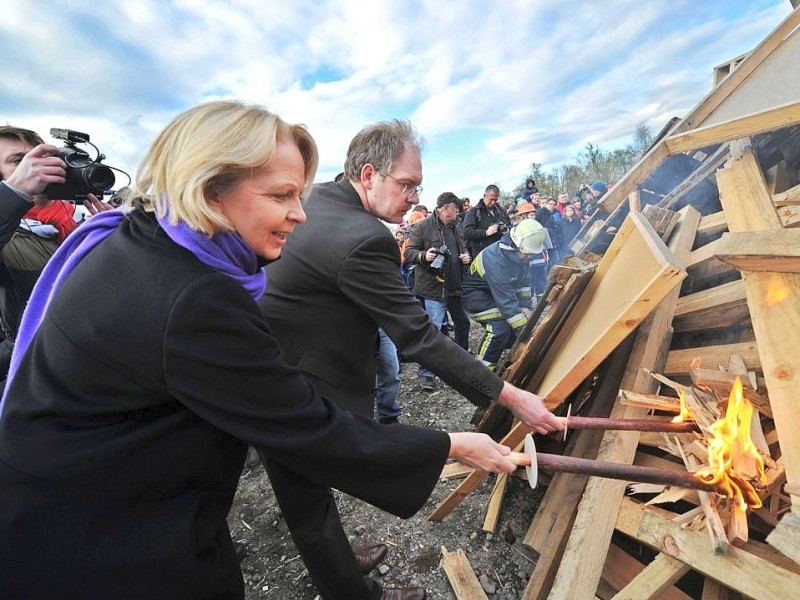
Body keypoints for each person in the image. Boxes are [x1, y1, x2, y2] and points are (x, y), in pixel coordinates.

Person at [0, 101, 542, 600]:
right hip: (108, 543)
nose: (299, 214)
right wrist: (451, 443)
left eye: (298, 194)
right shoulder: (194, 296)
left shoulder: (133, 237)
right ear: (208, 189)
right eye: (280, 196)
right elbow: (313, 426)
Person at [259, 119, 562, 599]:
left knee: (309, 497)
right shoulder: (362, 238)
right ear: (368, 174)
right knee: (307, 499)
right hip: (294, 381)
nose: (411, 197)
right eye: (406, 185)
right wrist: (509, 395)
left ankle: (336, 553)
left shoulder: (316, 197)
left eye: (417, 187)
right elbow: (419, 336)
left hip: (285, 357)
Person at [0, 126, 108, 383]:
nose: (34, 167)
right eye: (19, 161)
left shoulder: (81, 219)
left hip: (81, 368)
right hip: (22, 374)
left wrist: (110, 239)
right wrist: (15, 193)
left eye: (40, 158)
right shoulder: (8, 227)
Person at [404, 192, 471, 389]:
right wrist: (424, 256)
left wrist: (466, 256)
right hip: (434, 289)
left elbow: (463, 248)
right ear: (443, 208)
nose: (457, 212)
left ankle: (461, 366)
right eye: (454, 209)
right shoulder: (422, 226)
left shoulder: (457, 226)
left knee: (463, 324)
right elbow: (409, 253)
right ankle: (426, 374)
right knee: (433, 331)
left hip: (455, 288)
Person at [462, 220, 548, 369]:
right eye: (528, 254)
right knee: (500, 329)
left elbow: (524, 283)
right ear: (515, 246)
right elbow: (507, 303)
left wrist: (525, 306)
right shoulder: (495, 261)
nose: (531, 258)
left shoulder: (520, 255)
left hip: (496, 295)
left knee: (512, 329)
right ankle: (482, 371)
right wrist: (525, 333)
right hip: (476, 298)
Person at [461, 184, 512, 258]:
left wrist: (506, 229)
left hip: (501, 253)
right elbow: (466, 232)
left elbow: (509, 225)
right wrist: (486, 233)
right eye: (491, 199)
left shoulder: (500, 211)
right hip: (483, 255)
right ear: (484, 196)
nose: (493, 202)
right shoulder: (473, 212)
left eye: (496, 200)